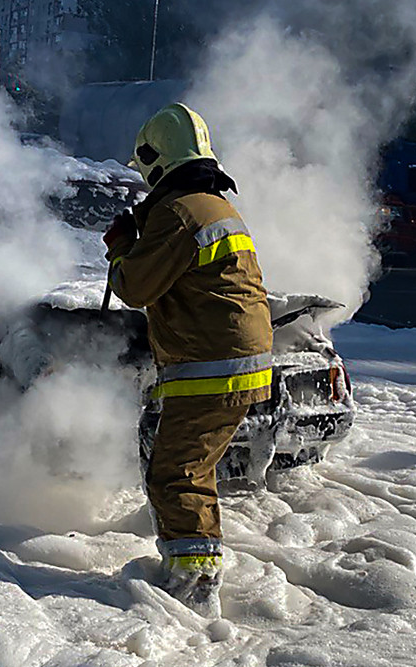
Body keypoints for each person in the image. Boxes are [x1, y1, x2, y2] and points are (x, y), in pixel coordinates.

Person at [103, 103, 273, 618]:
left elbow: (136, 286)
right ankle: (193, 572)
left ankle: (193, 591)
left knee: (175, 474)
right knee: (192, 468)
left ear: (157, 162)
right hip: (238, 358)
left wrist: (120, 250)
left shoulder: (177, 213)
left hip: (211, 364)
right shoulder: (212, 206)